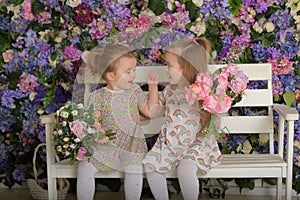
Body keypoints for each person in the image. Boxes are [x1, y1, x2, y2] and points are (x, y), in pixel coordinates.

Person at [142, 38, 223, 200]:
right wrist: (152, 88)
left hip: (195, 145)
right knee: (151, 165)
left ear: (186, 68)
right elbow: (154, 112)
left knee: (185, 169)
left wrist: (212, 104)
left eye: (170, 66)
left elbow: (213, 124)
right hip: (170, 145)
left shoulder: (201, 92)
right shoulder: (169, 92)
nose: (166, 70)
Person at [76, 44, 160, 200]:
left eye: (134, 70)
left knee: (133, 169)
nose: (133, 75)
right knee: (85, 167)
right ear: (111, 76)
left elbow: (150, 112)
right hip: (106, 146)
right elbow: (93, 119)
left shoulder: (134, 91)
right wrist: (98, 131)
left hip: (131, 146)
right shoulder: (98, 96)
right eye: (128, 72)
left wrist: (153, 87)